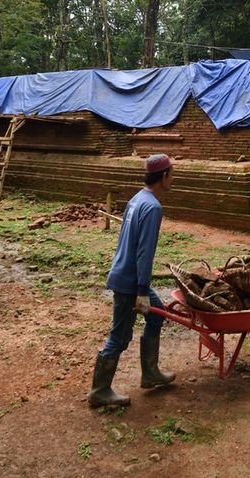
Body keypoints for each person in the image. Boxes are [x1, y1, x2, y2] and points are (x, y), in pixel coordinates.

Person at [89, 153, 176, 408]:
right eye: (171, 174)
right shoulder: (153, 207)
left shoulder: (138, 198)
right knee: (119, 336)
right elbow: (144, 252)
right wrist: (141, 291)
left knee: (157, 314)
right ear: (163, 176)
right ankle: (100, 390)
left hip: (126, 273)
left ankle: (150, 373)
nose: (173, 179)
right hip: (130, 281)